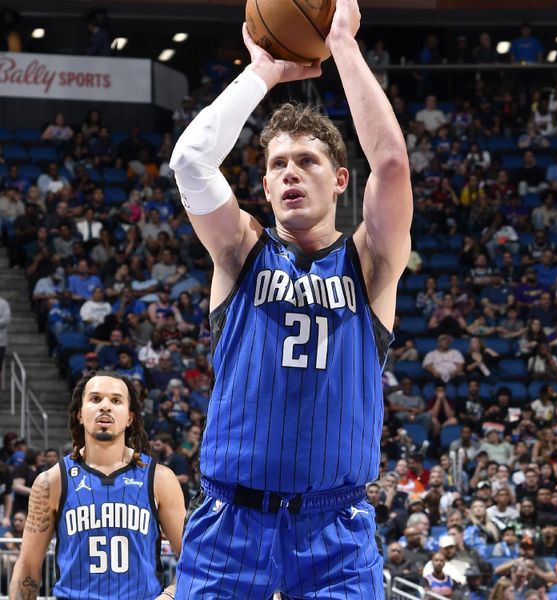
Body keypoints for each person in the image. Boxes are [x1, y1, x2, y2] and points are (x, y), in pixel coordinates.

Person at [169, 0, 412, 596]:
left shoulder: (370, 263)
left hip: (335, 529)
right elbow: (190, 161)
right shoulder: (240, 250)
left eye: (307, 161)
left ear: (339, 179)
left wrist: (344, 47)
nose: (289, 174)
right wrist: (263, 73)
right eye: (277, 164)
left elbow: (391, 162)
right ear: (265, 184)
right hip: (230, 524)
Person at [9, 372, 185, 600]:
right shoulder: (51, 481)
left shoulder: (160, 478)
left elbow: (192, 559)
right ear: (80, 414)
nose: (105, 407)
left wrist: (170, 595)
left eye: (116, 400)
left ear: (130, 417)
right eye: (95, 399)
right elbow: (28, 567)